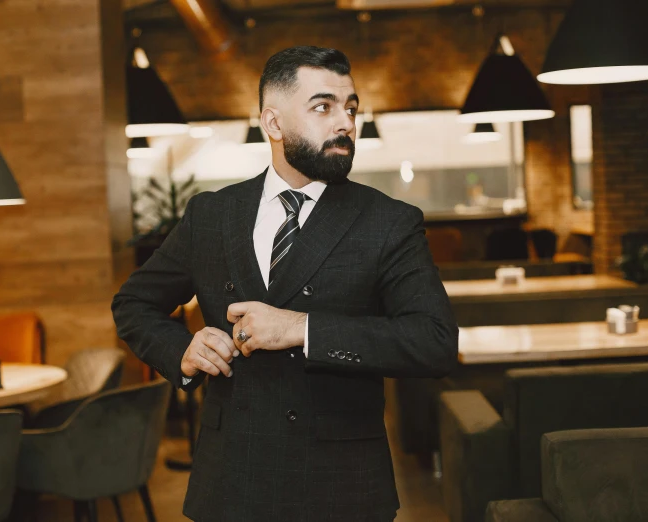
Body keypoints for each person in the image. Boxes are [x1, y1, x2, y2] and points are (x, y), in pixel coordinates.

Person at [112, 45, 458, 522]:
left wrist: (303, 328)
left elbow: (434, 342)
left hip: (339, 487)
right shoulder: (212, 215)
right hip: (231, 482)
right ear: (272, 124)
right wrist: (182, 352)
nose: (346, 123)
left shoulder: (388, 222)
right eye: (324, 107)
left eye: (351, 107)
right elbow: (133, 303)